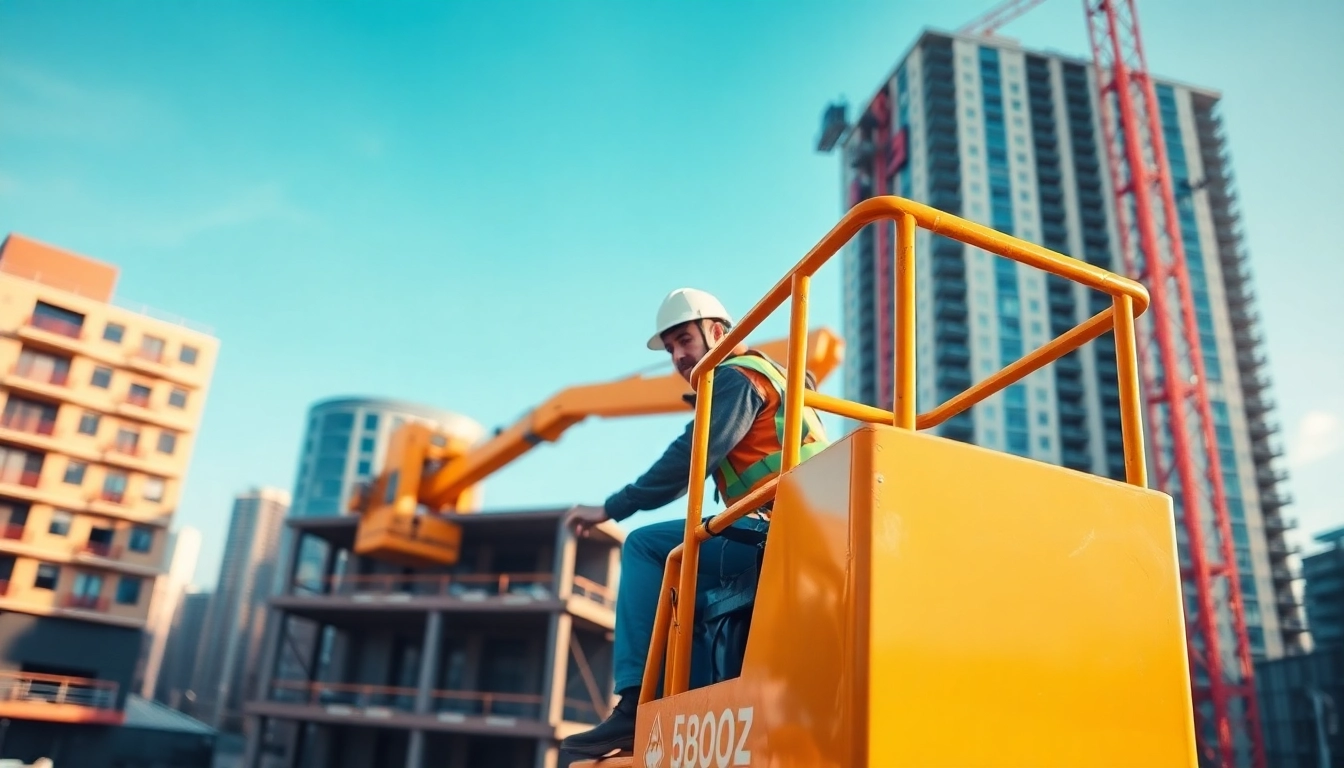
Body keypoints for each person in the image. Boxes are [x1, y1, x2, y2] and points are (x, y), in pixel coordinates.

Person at [560, 288, 829, 759]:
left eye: (684, 340)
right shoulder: (777, 376)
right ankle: (687, 704)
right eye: (670, 350)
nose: (679, 356)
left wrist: (610, 508)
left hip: (773, 530)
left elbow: (689, 461)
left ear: (718, 333)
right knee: (696, 580)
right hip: (792, 527)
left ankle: (633, 706)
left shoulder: (734, 378)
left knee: (646, 547)